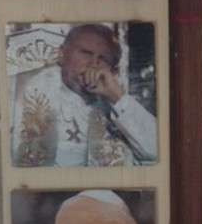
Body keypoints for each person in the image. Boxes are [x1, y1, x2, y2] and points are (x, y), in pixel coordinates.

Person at [8, 23, 157, 167]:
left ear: (112, 69)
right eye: (86, 53)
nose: (93, 64)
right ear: (62, 54)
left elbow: (158, 152)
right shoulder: (17, 90)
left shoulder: (115, 100)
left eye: (103, 59)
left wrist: (116, 95)